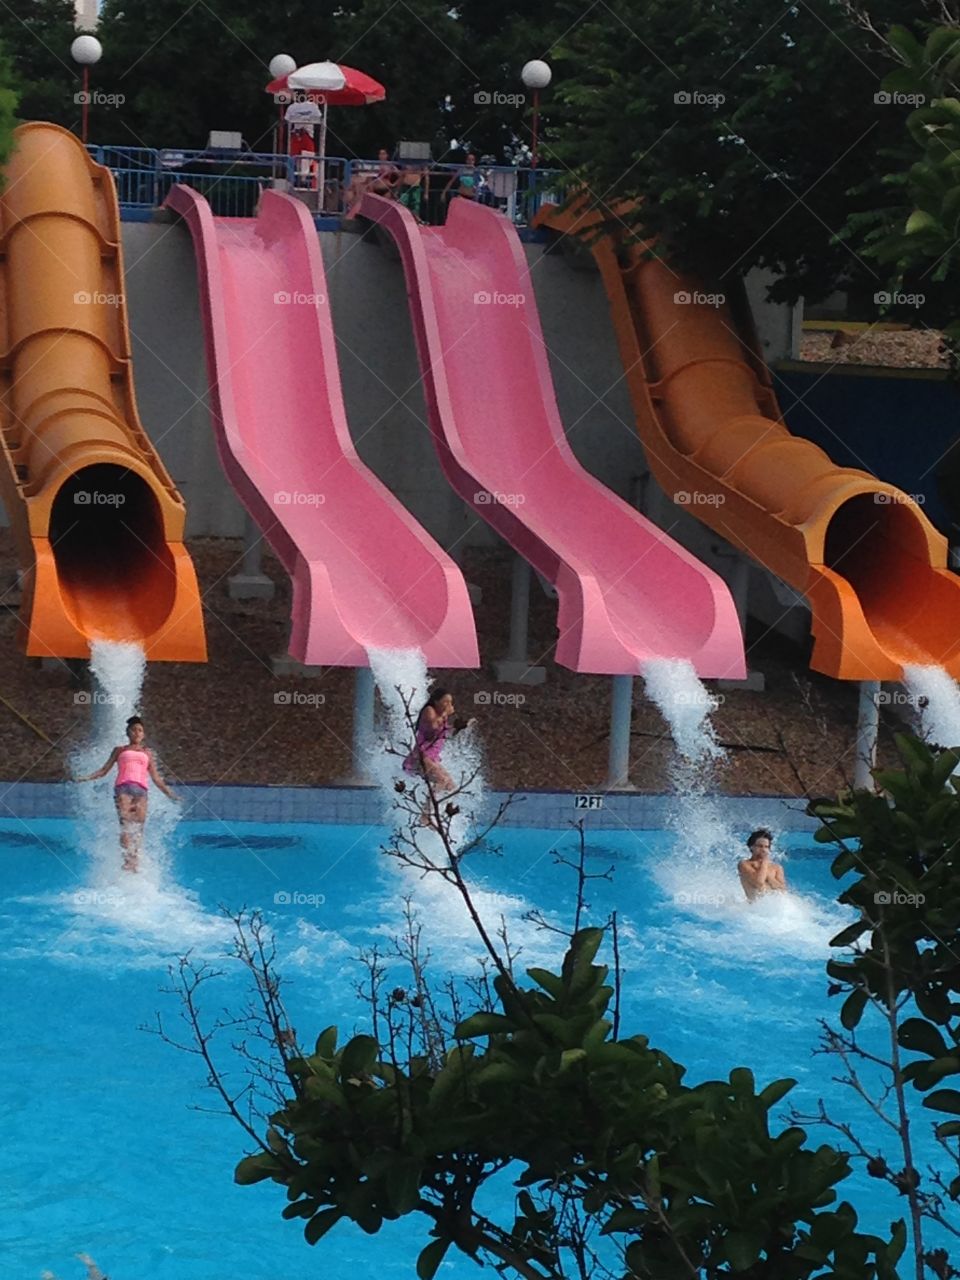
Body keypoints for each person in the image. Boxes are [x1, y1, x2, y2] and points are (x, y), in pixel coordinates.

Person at [75, 716, 178, 872]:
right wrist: (85, 778)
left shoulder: (148, 753)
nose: (137, 732)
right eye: (134, 730)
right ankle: (126, 860)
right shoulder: (119, 750)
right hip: (123, 788)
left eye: (140, 730)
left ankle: (134, 859)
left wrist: (170, 794)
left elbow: (156, 778)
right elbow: (104, 770)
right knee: (126, 823)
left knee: (139, 827)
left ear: (144, 734)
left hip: (141, 791)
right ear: (128, 733)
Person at [403, 689, 475, 826]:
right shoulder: (429, 711)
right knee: (441, 781)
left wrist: (462, 726)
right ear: (436, 701)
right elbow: (432, 730)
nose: (448, 705)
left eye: (450, 702)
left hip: (432, 757)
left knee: (451, 786)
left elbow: (444, 734)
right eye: (445, 702)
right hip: (421, 757)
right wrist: (445, 714)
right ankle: (425, 816)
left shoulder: (442, 716)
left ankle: (438, 814)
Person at [345, 147, 400, 217]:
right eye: (380, 154)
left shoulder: (391, 166)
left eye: (383, 154)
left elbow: (397, 176)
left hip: (385, 187)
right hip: (375, 185)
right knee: (357, 187)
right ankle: (353, 209)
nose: (381, 156)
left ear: (387, 155)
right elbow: (369, 177)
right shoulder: (375, 165)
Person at [738, 829, 787, 902]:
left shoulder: (777, 868)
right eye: (760, 846)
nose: (763, 850)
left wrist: (769, 877)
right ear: (751, 847)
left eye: (766, 847)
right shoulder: (744, 864)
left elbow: (783, 890)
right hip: (755, 907)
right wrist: (764, 861)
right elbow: (758, 883)